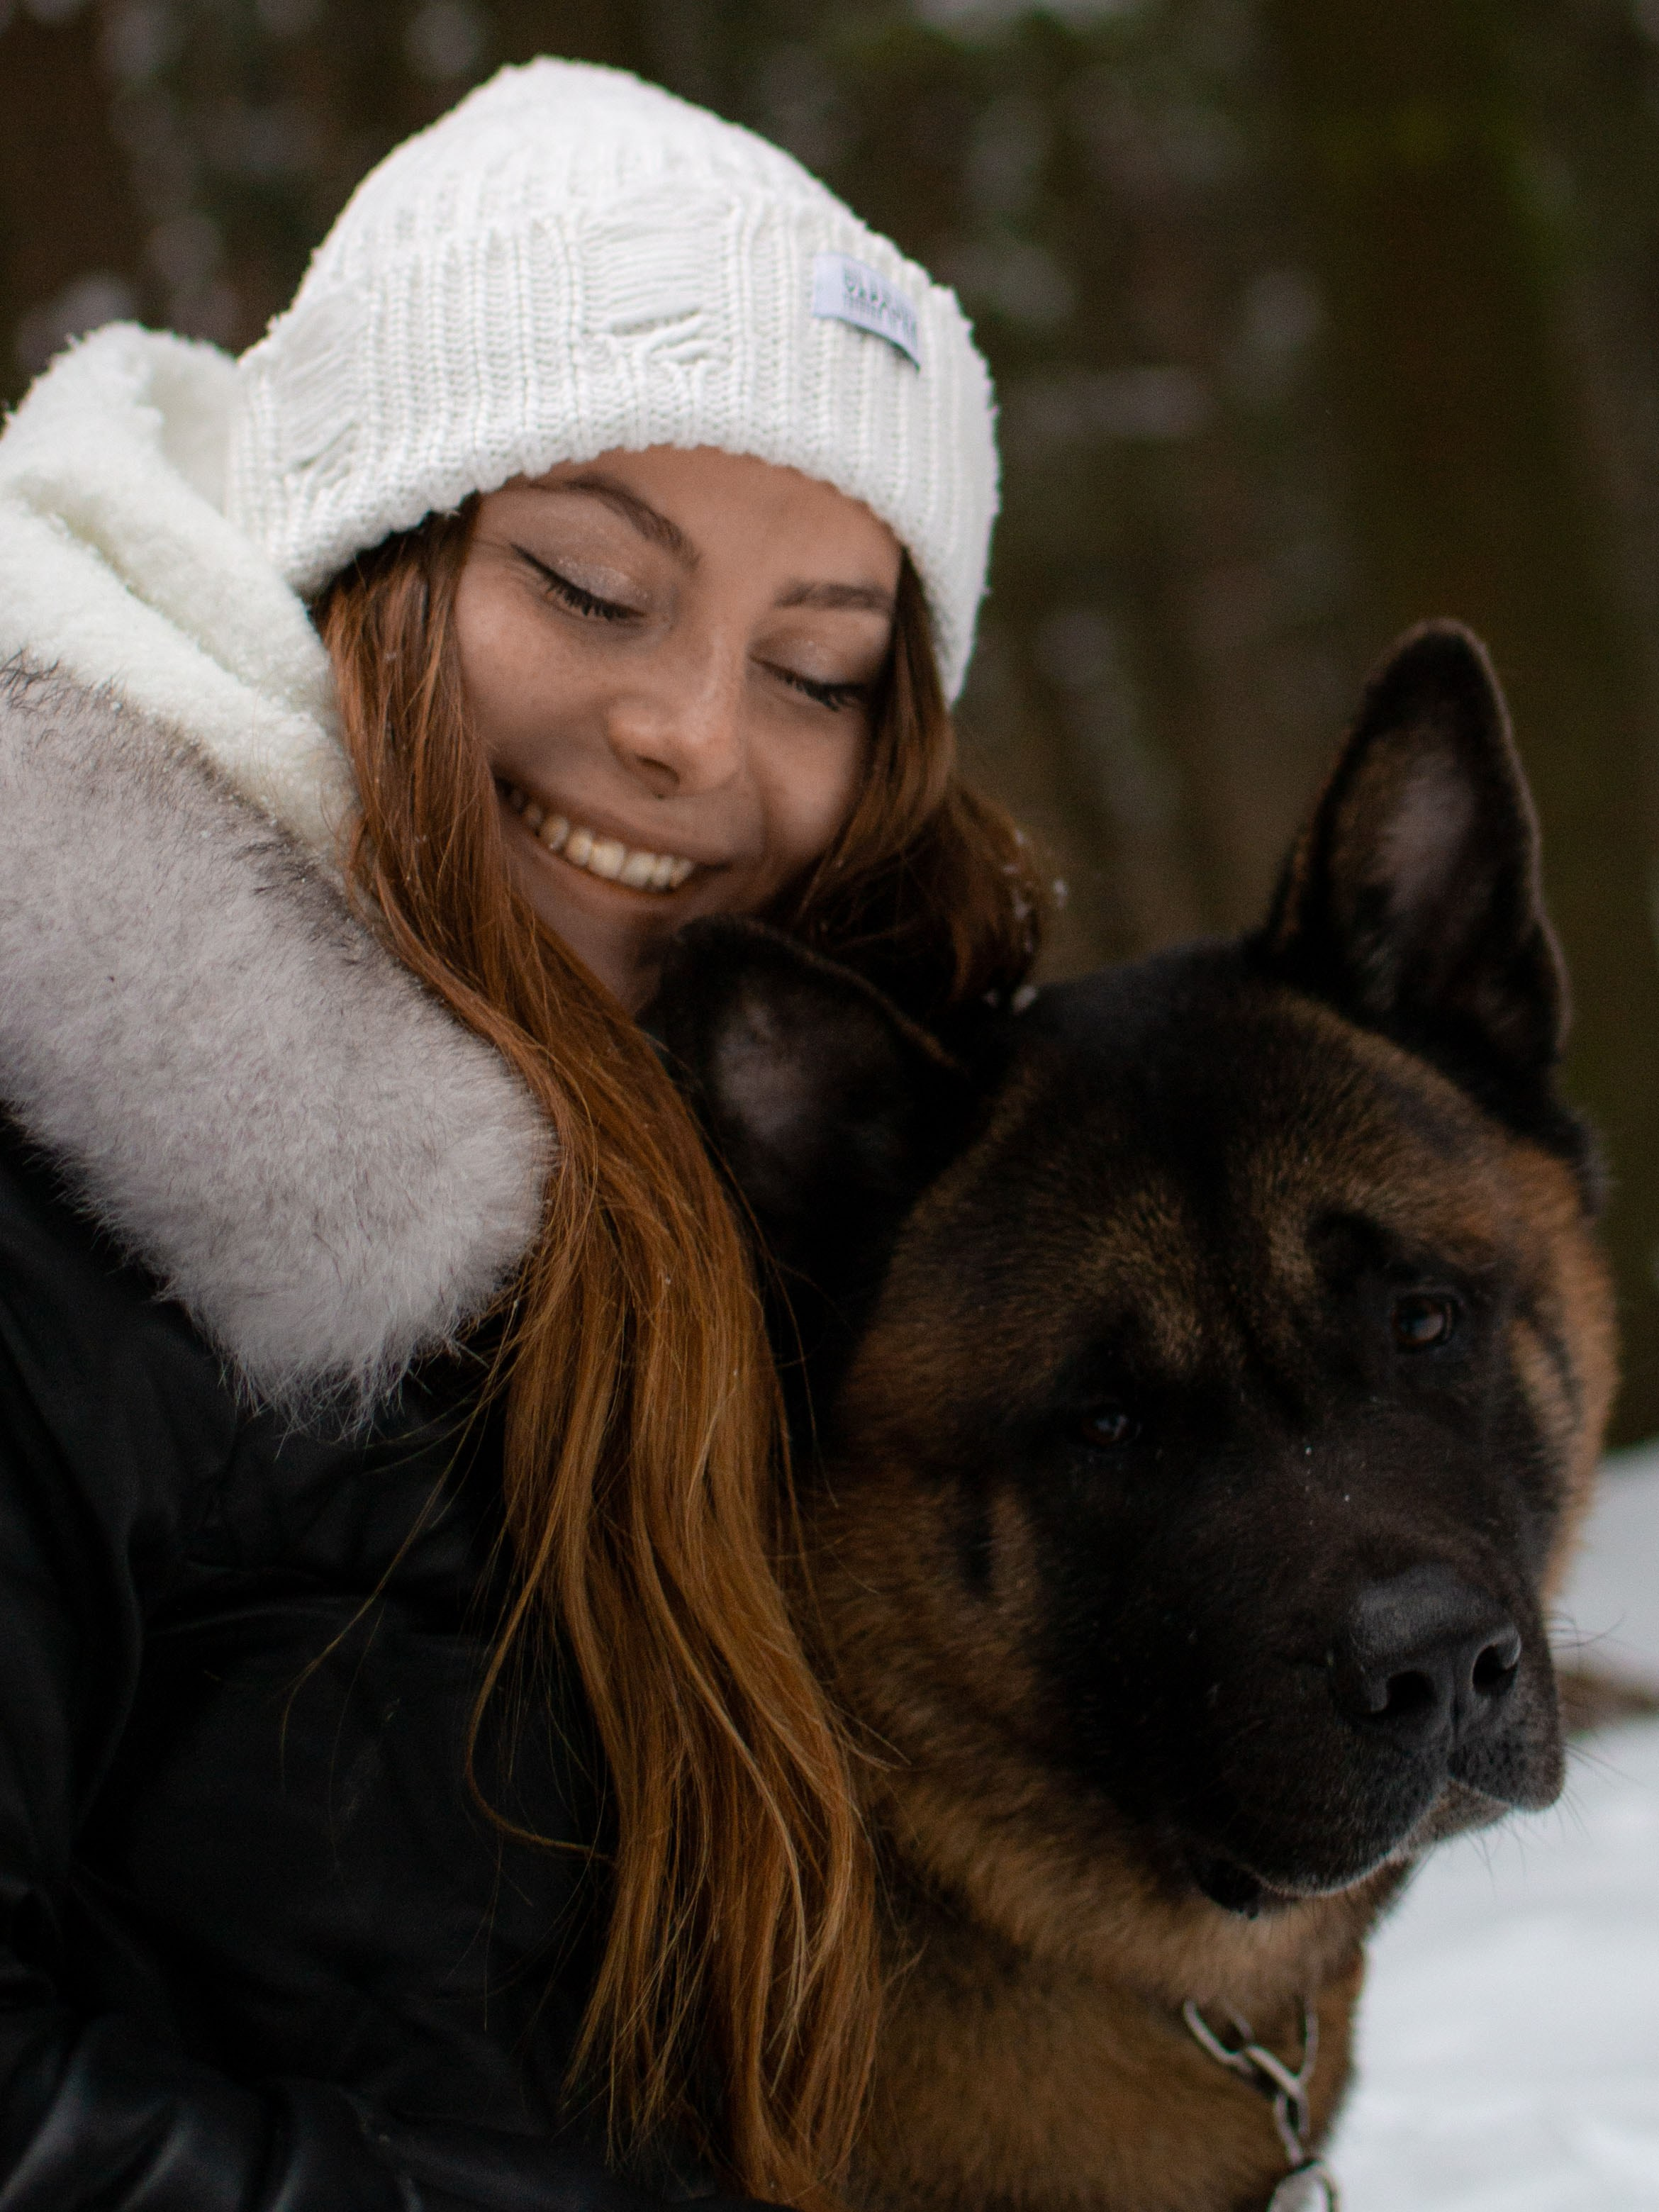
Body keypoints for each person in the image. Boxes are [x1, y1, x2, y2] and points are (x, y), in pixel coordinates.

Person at [0, 57, 1040, 2212]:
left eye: (818, 669)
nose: (688, 733)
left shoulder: (761, 1168)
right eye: (587, 585)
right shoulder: (64, 1155)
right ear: (356, 553)